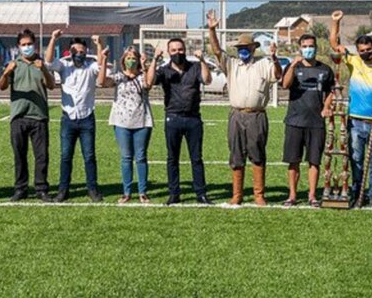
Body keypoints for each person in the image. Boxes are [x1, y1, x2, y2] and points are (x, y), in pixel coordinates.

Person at [206, 10, 282, 206]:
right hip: (237, 115)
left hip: (257, 116)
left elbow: (278, 75)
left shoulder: (264, 64)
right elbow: (216, 51)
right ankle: (237, 195)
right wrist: (212, 30)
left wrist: (274, 58)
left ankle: (259, 195)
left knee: (258, 155)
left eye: (246, 47)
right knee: (236, 155)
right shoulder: (232, 65)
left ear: (253, 48)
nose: (243, 50)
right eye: (240, 48)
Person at [329, 10, 372, 209]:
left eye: (368, 50)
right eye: (361, 50)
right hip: (354, 120)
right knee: (355, 160)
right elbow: (334, 45)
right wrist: (336, 22)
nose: (365, 53)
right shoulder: (353, 61)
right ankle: (356, 192)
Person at [146, 38, 213, 205]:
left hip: (193, 119)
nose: (178, 53)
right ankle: (174, 193)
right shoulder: (164, 70)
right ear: (169, 52)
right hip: (173, 118)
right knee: (172, 158)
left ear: (185, 50)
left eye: (180, 49)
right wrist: (154, 60)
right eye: (174, 50)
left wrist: (203, 60)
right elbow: (149, 81)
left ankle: (201, 193)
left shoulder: (195, 67)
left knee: (196, 158)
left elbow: (207, 79)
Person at [0, 29, 56, 202]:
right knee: (19, 155)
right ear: (18, 47)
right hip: (18, 117)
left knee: (41, 156)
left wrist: (44, 69)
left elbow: (51, 85)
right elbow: (1, 86)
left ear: (35, 44)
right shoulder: (13, 64)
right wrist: (7, 72)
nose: (26, 47)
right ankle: (20, 189)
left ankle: (41, 188)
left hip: (38, 116)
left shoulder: (41, 63)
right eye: (23, 45)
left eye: (29, 44)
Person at [45, 29, 102, 203]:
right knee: (65, 156)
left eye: (82, 51)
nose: (78, 54)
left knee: (89, 156)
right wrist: (53, 38)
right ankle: (63, 190)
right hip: (68, 118)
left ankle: (92, 189)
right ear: (70, 52)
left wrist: (98, 44)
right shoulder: (63, 65)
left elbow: (101, 65)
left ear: (86, 52)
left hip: (87, 118)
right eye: (75, 51)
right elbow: (48, 62)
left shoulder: (91, 66)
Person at [98, 44, 157, 203]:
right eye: (128, 58)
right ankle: (127, 192)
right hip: (121, 122)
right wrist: (103, 60)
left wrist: (144, 67)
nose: (131, 61)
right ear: (124, 60)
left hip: (142, 121)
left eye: (134, 58)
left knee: (141, 157)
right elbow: (102, 82)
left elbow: (148, 85)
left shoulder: (141, 75)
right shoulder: (119, 77)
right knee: (126, 157)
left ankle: (142, 192)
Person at [280, 33, 334, 208]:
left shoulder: (325, 69)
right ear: (300, 48)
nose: (308, 49)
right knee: (293, 160)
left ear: (316, 47)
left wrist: (326, 107)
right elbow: (285, 85)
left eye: (311, 46)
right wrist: (293, 65)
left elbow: (331, 91)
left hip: (316, 123)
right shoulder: (293, 67)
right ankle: (292, 195)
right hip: (295, 121)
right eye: (305, 46)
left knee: (314, 161)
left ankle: (312, 195)